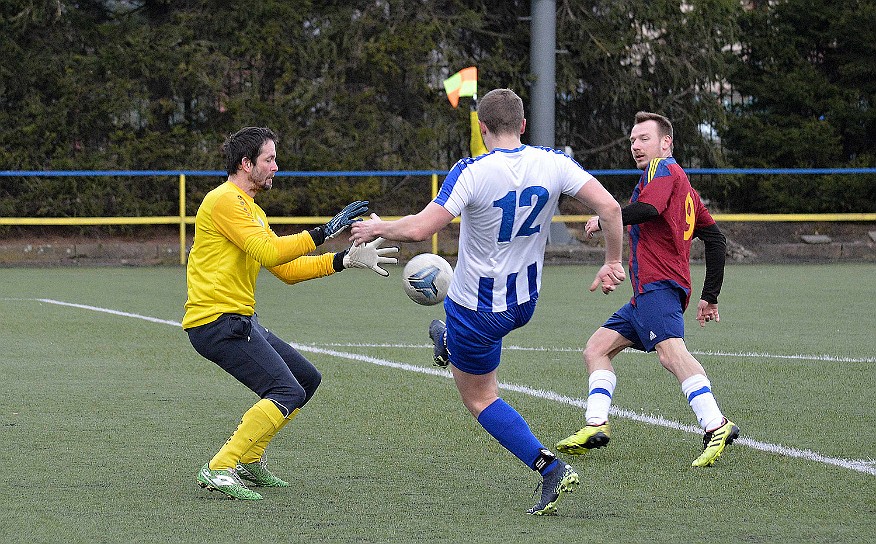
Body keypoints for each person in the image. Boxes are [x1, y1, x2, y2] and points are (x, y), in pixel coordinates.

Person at [350, 89, 625, 515]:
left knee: (479, 397)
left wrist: (378, 227)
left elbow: (423, 229)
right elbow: (609, 207)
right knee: (459, 321)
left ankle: (549, 467)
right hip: (524, 301)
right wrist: (612, 260)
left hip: (477, 309)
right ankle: (449, 343)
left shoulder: (471, 171)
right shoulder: (553, 161)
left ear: (481, 128)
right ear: (523, 125)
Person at [184, 126, 397, 500]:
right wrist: (323, 232)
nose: (275, 167)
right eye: (269, 159)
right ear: (247, 164)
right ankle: (221, 465)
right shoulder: (224, 201)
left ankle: (249, 458)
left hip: (237, 319)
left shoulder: (249, 210)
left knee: (305, 379)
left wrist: (342, 260)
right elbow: (270, 253)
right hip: (218, 321)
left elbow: (286, 270)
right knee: (283, 389)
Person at [556, 111, 738, 467]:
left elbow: (648, 208)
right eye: (632, 141)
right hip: (646, 295)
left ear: (665, 143)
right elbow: (716, 240)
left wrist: (608, 216)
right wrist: (709, 295)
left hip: (659, 287)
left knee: (672, 355)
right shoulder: (683, 186)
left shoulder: (663, 171)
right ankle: (595, 425)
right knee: (596, 349)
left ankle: (715, 424)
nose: (635, 146)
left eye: (643, 139)